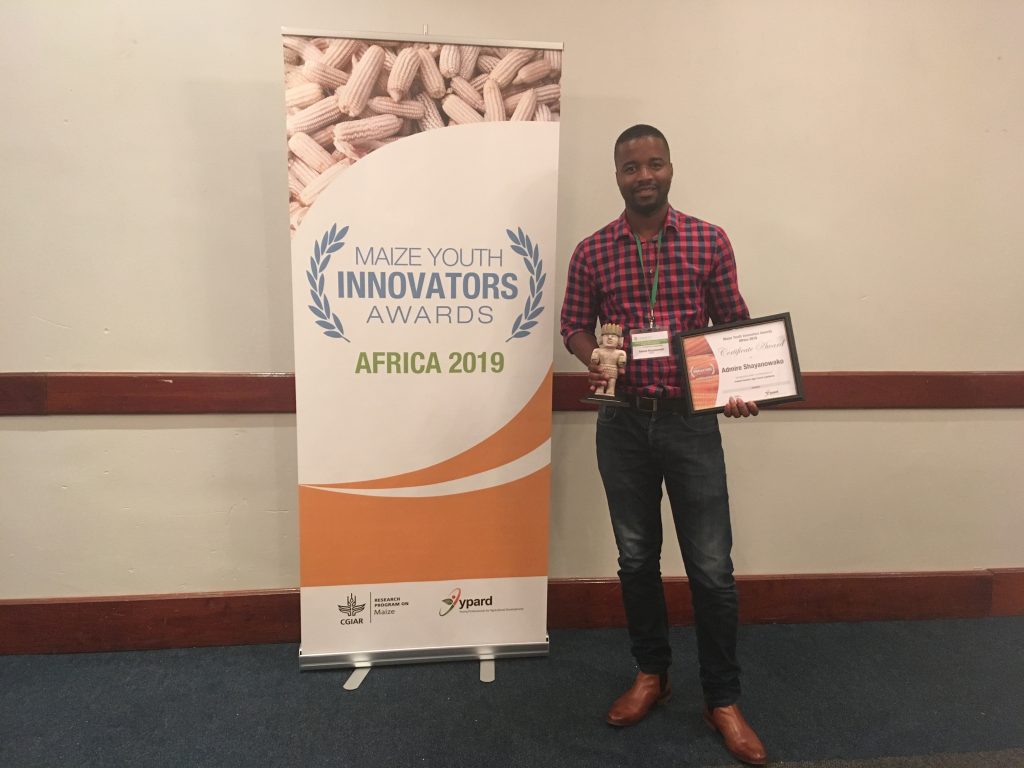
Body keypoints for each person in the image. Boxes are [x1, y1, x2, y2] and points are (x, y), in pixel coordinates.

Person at [559, 124, 767, 766]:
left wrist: (737, 381)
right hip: (621, 424)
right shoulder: (593, 252)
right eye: (630, 167)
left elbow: (733, 325)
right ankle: (652, 673)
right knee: (635, 558)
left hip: (690, 423)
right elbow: (573, 325)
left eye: (654, 164)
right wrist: (593, 356)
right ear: (616, 175)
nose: (643, 175)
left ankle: (723, 699)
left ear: (670, 168)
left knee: (712, 568)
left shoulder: (708, 240)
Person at [590, 322, 627, 398]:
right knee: (601, 384)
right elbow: (594, 361)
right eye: (606, 335)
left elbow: (621, 364)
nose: (609, 338)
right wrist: (594, 358)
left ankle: (610, 391)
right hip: (601, 370)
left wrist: (621, 361)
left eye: (613, 336)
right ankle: (600, 390)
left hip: (613, 371)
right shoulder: (598, 351)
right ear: (601, 338)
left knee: (611, 384)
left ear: (620, 340)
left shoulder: (620, 352)